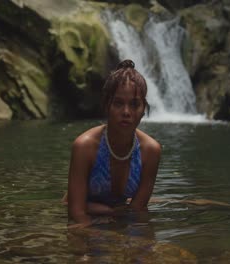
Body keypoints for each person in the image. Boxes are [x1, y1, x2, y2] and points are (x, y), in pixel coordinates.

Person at [63, 59, 162, 228]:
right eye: (118, 103)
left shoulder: (150, 151)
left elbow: (137, 209)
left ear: (143, 109)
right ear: (107, 105)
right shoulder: (85, 146)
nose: (126, 112)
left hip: (116, 212)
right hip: (81, 210)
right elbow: (76, 212)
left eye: (134, 104)